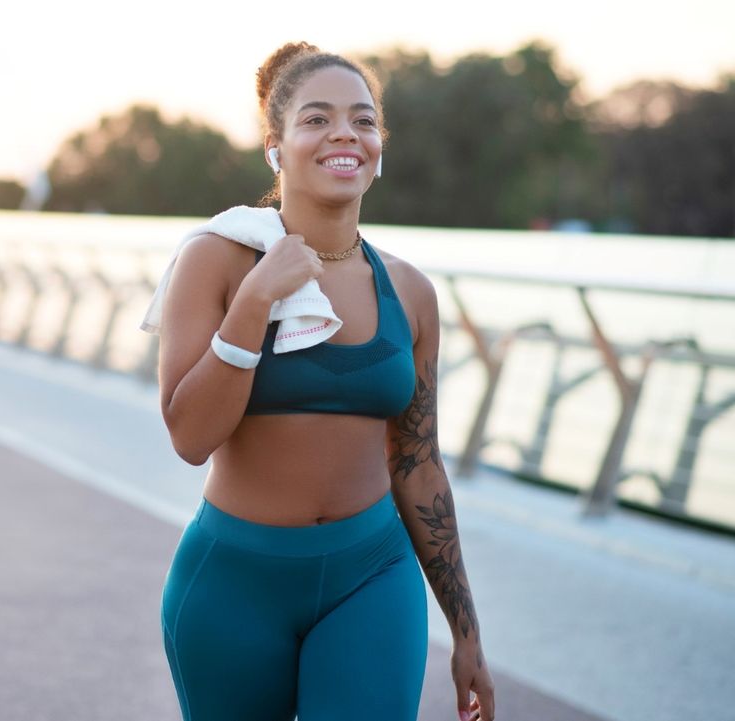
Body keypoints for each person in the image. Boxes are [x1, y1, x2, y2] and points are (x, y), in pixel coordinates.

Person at [154, 42, 495, 721]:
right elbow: (190, 436)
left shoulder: (411, 292)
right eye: (317, 118)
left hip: (373, 574)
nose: (345, 132)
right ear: (276, 146)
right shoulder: (215, 261)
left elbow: (419, 463)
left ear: (378, 149)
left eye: (363, 120)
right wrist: (255, 301)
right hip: (235, 582)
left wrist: (467, 633)